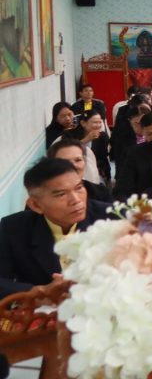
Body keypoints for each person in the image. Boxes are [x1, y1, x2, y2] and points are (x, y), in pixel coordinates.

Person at [0, 158, 111, 298]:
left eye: (79, 188)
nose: (76, 200)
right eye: (61, 194)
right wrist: (39, 292)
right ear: (36, 205)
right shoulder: (14, 229)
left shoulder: (111, 217)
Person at [47, 138, 112, 202]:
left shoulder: (102, 194)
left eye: (78, 160)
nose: (74, 166)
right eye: (65, 162)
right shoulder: (46, 197)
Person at [64, 110, 109, 185]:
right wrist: (86, 139)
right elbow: (66, 151)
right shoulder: (69, 134)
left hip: (94, 171)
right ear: (83, 123)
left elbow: (103, 158)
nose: (98, 125)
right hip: (72, 170)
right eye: (95, 122)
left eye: (100, 122)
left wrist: (106, 175)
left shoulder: (102, 136)